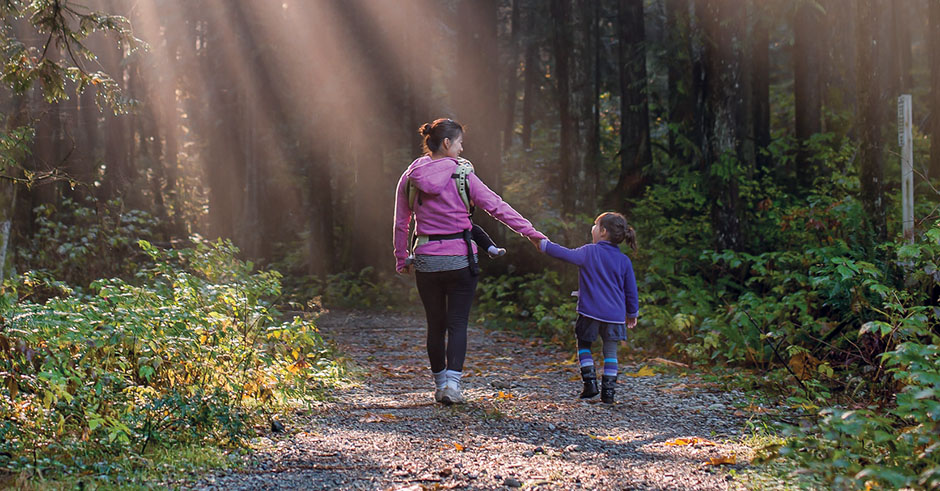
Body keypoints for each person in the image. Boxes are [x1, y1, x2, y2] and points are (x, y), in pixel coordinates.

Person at [393, 118, 545, 405]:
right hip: (461, 259)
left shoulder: (410, 176)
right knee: (458, 323)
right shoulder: (463, 175)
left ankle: (439, 386)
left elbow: (402, 223)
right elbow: (497, 207)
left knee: (435, 325)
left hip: (426, 259)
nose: (462, 149)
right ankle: (453, 385)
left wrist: (402, 258)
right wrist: (531, 234)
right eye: (460, 142)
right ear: (447, 143)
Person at [534, 212, 639, 404]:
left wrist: (543, 245)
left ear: (603, 231)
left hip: (590, 311)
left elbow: (564, 253)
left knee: (583, 344)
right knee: (611, 352)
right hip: (614, 315)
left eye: (595, 225)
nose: (592, 228)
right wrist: (632, 313)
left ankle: (590, 384)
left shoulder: (589, 252)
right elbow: (631, 291)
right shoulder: (624, 260)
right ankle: (608, 392)